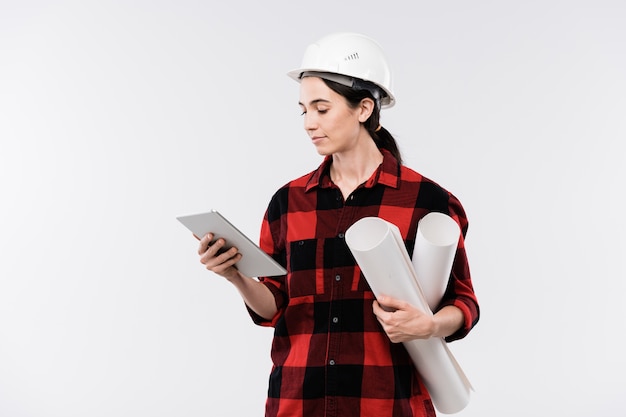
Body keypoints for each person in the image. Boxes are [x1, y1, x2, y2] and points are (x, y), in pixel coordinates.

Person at [197, 32, 480, 417]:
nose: (308, 123)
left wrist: (427, 326)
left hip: (387, 405)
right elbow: (274, 305)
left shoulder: (427, 201)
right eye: (303, 110)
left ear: (364, 109)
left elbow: (464, 303)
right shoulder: (288, 202)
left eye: (321, 108)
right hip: (297, 404)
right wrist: (235, 276)